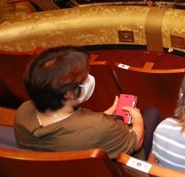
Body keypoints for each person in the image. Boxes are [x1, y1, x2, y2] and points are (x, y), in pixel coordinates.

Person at [14, 46, 145, 159]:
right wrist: (137, 117)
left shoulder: (23, 111)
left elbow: (79, 129)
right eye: (84, 77)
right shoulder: (99, 128)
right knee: (151, 114)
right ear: (69, 94)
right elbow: (135, 142)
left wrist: (103, 117)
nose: (89, 78)